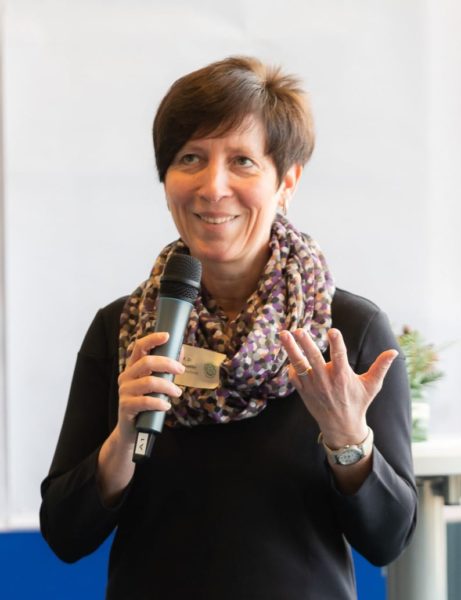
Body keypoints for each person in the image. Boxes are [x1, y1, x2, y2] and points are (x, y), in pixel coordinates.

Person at [40, 56, 417, 600]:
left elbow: (388, 540)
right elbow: (65, 534)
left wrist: (347, 439)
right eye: (190, 158)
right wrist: (122, 439)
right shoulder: (124, 330)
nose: (213, 186)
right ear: (166, 180)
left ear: (286, 181)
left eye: (242, 161)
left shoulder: (347, 331)